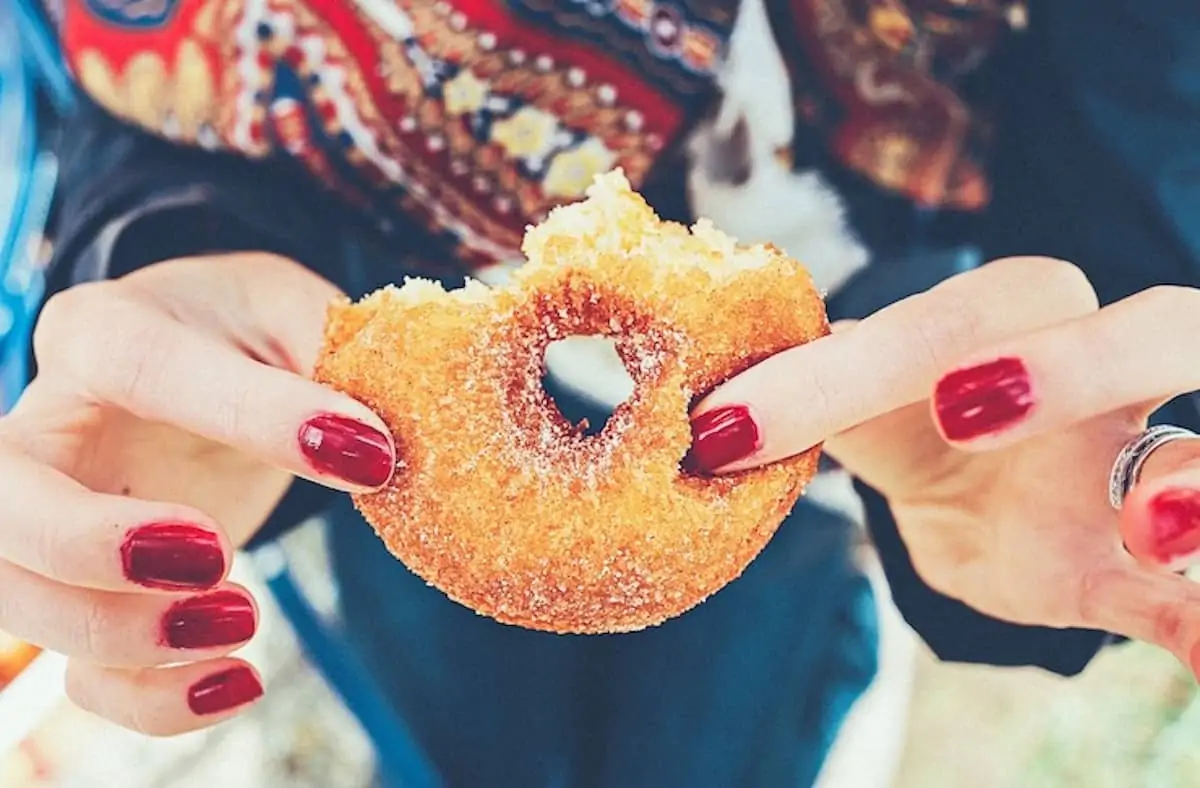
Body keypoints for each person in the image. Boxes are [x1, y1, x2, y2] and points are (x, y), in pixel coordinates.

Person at [2, 0, 1199, 785]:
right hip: (401, 455)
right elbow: (148, 58)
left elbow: (1145, 141)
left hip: (818, 454)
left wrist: (1084, 398)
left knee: (720, 749)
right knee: (474, 748)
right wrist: (172, 245)